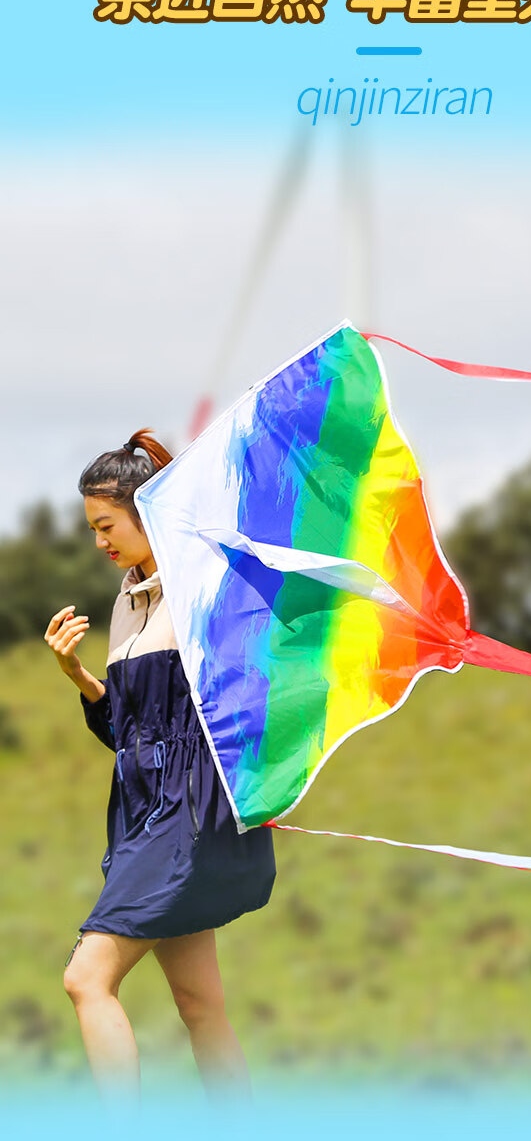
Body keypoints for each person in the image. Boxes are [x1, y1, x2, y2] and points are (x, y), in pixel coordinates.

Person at [44, 429, 276, 1097]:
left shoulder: (203, 589)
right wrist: (80, 676)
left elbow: (249, 697)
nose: (99, 542)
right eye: (93, 527)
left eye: (107, 524)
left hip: (191, 817)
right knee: (201, 1006)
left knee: (86, 977)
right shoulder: (125, 602)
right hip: (144, 820)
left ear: (148, 515)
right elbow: (130, 732)